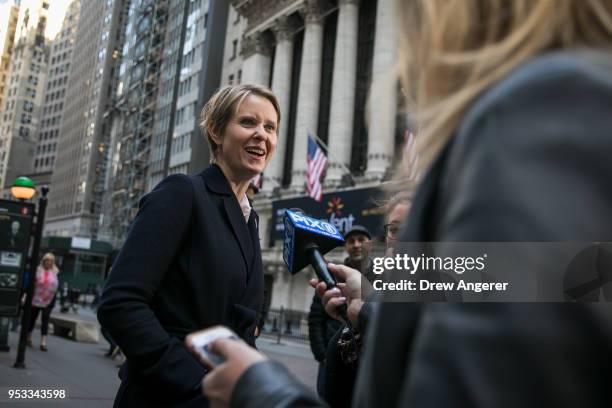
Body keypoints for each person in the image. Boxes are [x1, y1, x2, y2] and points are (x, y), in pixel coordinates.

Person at [194, 1, 612, 407]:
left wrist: (262, 393)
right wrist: (377, 298)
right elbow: (533, 278)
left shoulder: (553, 107)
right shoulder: (569, 105)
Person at [97, 84, 280, 408]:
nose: (261, 135)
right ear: (216, 131)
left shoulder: (249, 219)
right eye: (248, 122)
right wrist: (198, 383)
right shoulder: (182, 193)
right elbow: (120, 303)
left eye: (270, 127)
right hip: (165, 397)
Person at [27, 253, 60, 352]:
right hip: (36, 298)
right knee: (32, 318)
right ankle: (28, 336)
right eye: (47, 261)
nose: (48, 263)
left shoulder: (56, 272)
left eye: (50, 261)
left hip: (48, 300)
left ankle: (43, 341)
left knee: (45, 319)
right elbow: (31, 283)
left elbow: (57, 285)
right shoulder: (38, 270)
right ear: (43, 261)